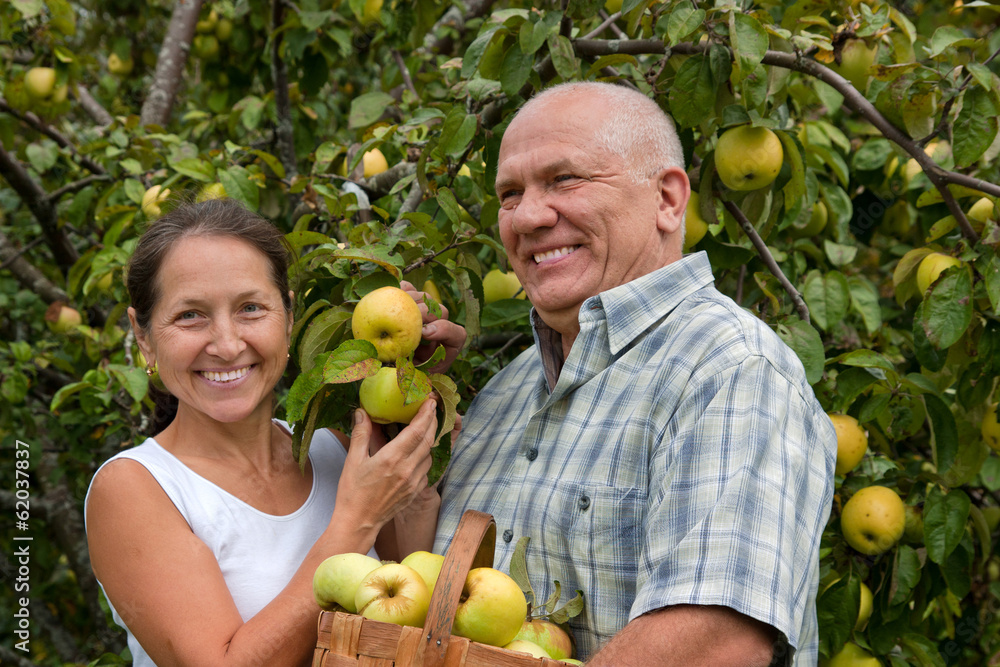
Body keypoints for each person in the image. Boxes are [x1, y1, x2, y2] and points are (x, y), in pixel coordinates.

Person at [432, 81, 836, 666]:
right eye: (509, 194)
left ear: (669, 199)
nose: (528, 216)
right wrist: (412, 427)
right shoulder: (505, 392)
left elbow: (714, 643)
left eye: (565, 179)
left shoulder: (729, 369)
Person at [84, 198, 465, 666]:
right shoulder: (135, 489)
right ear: (143, 336)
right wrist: (355, 518)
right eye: (190, 315)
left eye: (250, 308)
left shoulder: (333, 450)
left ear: (287, 318)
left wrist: (415, 395)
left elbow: (411, 609)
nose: (226, 344)